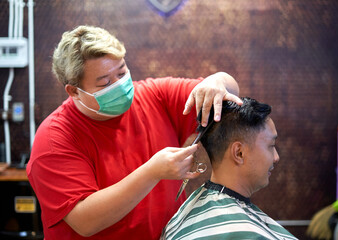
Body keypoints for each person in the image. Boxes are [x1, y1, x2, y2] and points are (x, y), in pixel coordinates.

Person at [26, 25, 242, 240]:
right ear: (74, 91)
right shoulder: (55, 138)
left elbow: (226, 91)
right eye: (105, 83)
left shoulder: (155, 96)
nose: (119, 85)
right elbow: (85, 221)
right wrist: (152, 172)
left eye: (121, 72)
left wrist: (218, 81)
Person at [161, 99, 298, 240]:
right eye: (271, 145)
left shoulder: (178, 218)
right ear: (239, 153)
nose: (276, 157)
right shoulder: (250, 235)